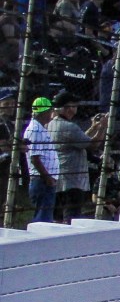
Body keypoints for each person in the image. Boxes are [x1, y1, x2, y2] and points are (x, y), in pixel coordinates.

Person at [22, 96, 59, 224]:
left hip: (44, 179)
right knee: (42, 218)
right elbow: (35, 158)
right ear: (45, 112)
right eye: (50, 111)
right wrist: (47, 177)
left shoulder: (41, 128)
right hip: (41, 180)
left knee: (45, 215)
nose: (51, 113)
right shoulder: (35, 129)